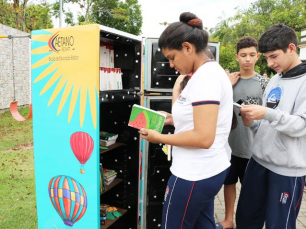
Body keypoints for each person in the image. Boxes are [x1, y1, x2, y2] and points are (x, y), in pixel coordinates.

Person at [139, 12, 233, 229]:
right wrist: (171, 119)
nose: (171, 65)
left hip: (194, 174)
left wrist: (159, 137)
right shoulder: (205, 74)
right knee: (203, 224)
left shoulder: (205, 79)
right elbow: (201, 119)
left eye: (172, 57)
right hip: (208, 169)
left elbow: (203, 137)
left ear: (188, 47)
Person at [236, 24, 306, 228]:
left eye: (274, 56)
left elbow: (301, 125)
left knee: (279, 224)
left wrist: (266, 112)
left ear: (291, 48)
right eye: (266, 57)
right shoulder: (275, 79)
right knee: (246, 219)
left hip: (286, 171)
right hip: (258, 162)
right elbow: (266, 125)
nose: (269, 63)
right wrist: (251, 122)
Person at [216, 36, 269, 229]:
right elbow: (214, 106)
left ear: (258, 57)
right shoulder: (228, 81)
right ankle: (229, 219)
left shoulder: (265, 84)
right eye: (243, 55)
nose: (248, 59)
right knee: (228, 184)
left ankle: (248, 223)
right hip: (228, 146)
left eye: (252, 55)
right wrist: (226, 86)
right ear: (236, 57)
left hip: (253, 148)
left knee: (252, 190)